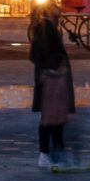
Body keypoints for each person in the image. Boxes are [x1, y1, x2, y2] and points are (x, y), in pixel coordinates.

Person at [34, 28, 76, 169]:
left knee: (56, 129)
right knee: (51, 128)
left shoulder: (56, 79)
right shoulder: (52, 80)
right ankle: (48, 154)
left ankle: (56, 153)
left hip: (56, 112)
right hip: (53, 112)